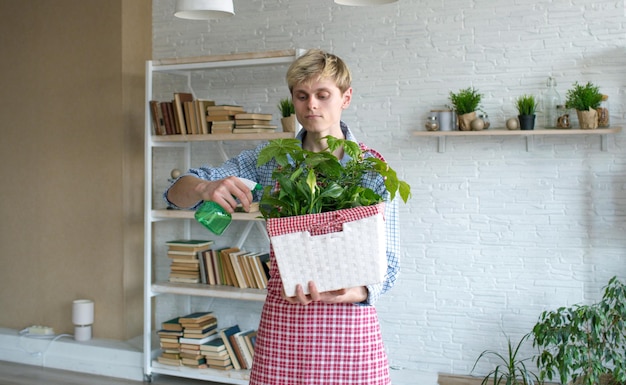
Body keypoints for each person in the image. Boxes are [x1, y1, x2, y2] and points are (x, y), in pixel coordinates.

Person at [164, 48, 399, 385]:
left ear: (345, 98)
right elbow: (175, 193)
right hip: (285, 321)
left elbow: (389, 263)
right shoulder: (270, 160)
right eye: (302, 96)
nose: (311, 105)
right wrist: (204, 188)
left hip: (348, 326)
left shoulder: (372, 169)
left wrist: (357, 290)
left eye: (322, 95)